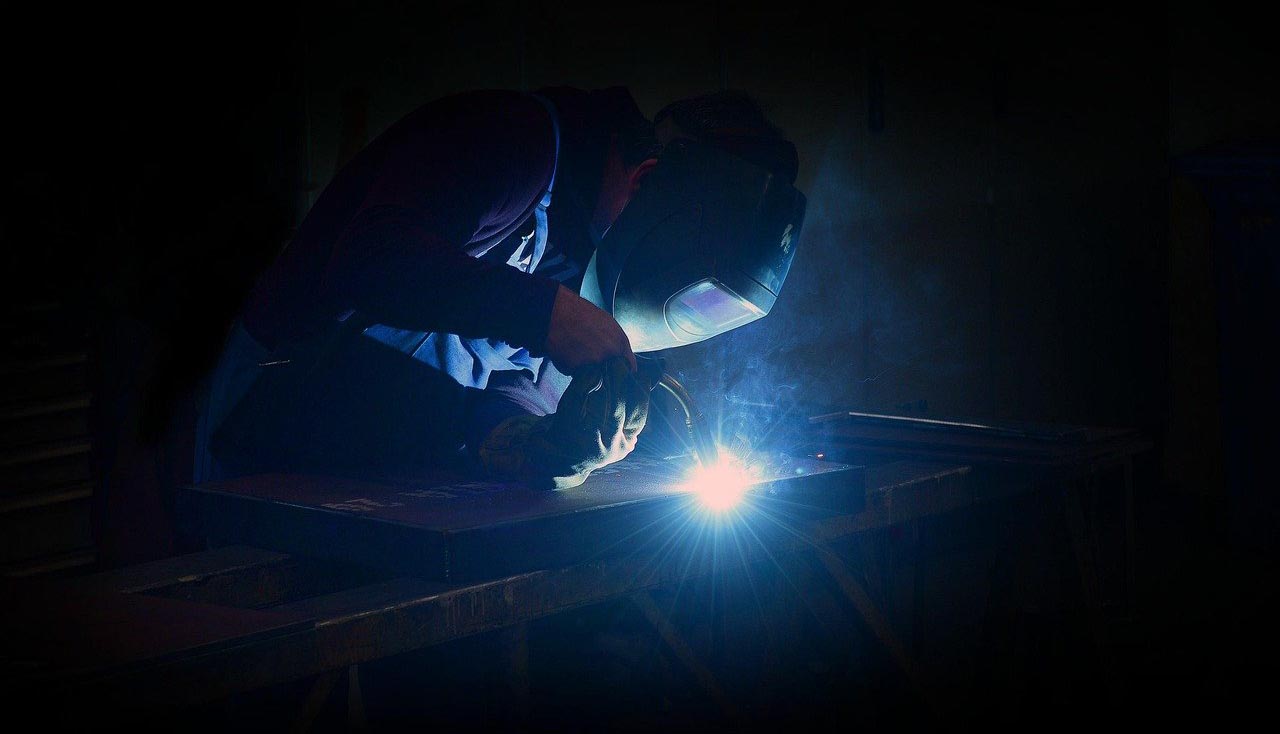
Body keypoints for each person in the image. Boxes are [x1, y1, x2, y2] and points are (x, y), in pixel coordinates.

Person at [199, 87, 798, 489]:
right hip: (264, 438)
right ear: (645, 183)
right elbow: (369, 258)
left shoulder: (583, 250)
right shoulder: (514, 140)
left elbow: (496, 384)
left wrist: (535, 441)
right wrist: (546, 315)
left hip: (377, 480)